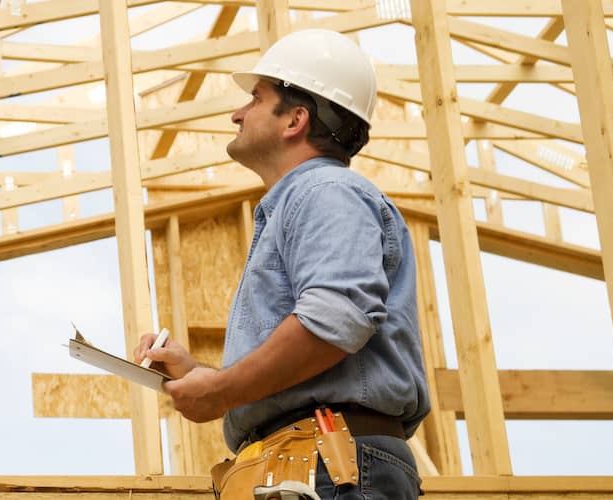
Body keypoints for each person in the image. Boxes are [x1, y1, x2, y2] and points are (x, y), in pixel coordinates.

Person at [135, 29, 430, 499]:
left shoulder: (328, 193)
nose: (236, 113)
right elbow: (320, 353)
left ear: (295, 120)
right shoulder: (305, 202)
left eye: (254, 98)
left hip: (328, 466)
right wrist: (201, 373)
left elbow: (335, 320)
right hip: (306, 463)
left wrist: (221, 391)